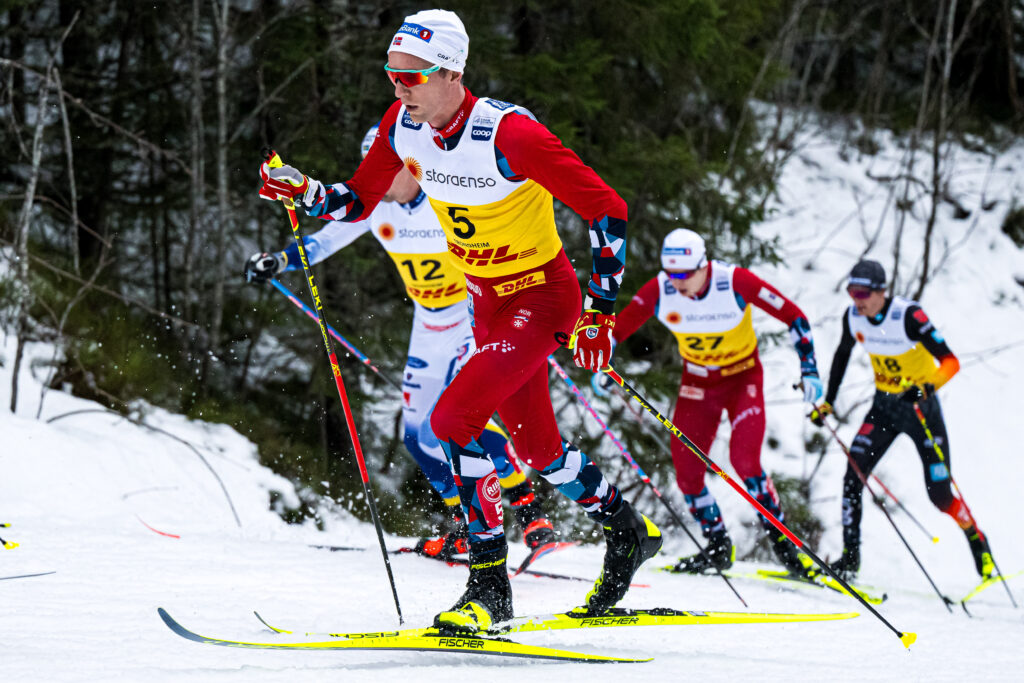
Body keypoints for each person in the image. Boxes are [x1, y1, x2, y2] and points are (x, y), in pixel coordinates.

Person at [256, 9, 661, 633]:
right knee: (539, 450)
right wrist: (306, 191)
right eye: (392, 76)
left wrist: (602, 311)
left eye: (413, 77)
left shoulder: (510, 135)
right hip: (487, 302)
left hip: (542, 296)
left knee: (451, 419)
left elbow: (607, 209)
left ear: (452, 73)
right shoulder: (403, 125)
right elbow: (358, 200)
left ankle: (489, 586)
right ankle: (628, 530)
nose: (400, 89)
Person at [245, 125, 557, 560]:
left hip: (469, 317)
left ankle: (530, 512)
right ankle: (467, 524)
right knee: (419, 437)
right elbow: (319, 242)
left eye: (387, 168)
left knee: (465, 416)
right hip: (428, 323)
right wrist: (278, 261)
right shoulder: (375, 209)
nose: (379, 179)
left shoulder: (445, 200)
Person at [606, 228, 822, 577]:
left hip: (742, 379)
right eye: (670, 273)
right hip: (698, 384)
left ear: (704, 265)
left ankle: (786, 546)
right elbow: (615, 331)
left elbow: (794, 317)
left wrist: (810, 369)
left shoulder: (734, 281)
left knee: (745, 461)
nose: (676, 282)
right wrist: (601, 359)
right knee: (687, 472)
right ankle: (718, 543)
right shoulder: (661, 289)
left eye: (684, 274)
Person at [811, 259, 994, 581]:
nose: (858, 300)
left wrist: (926, 388)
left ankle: (977, 540)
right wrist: (827, 402)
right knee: (853, 475)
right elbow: (841, 356)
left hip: (922, 411)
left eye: (864, 293)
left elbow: (950, 362)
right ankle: (850, 559)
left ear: (882, 291)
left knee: (940, 495)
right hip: (884, 409)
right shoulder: (853, 316)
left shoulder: (909, 316)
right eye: (852, 292)